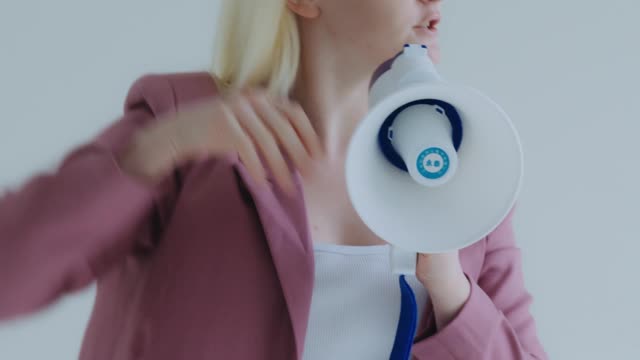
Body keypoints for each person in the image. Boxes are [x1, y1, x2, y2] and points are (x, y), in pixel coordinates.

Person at [0, 0, 549, 359]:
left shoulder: (468, 174)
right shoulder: (184, 121)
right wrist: (159, 149)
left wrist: (451, 288)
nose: (436, 2)